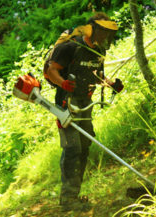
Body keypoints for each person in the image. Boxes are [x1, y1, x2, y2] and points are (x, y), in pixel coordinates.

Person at [47, 12, 124, 212]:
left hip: (85, 103)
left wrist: (111, 84)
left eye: (108, 34)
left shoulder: (98, 52)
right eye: (103, 33)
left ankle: (74, 194)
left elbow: (97, 74)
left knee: (85, 145)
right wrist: (63, 82)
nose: (105, 38)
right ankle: (67, 199)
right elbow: (51, 70)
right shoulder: (70, 48)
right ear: (91, 29)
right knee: (72, 148)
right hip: (66, 102)